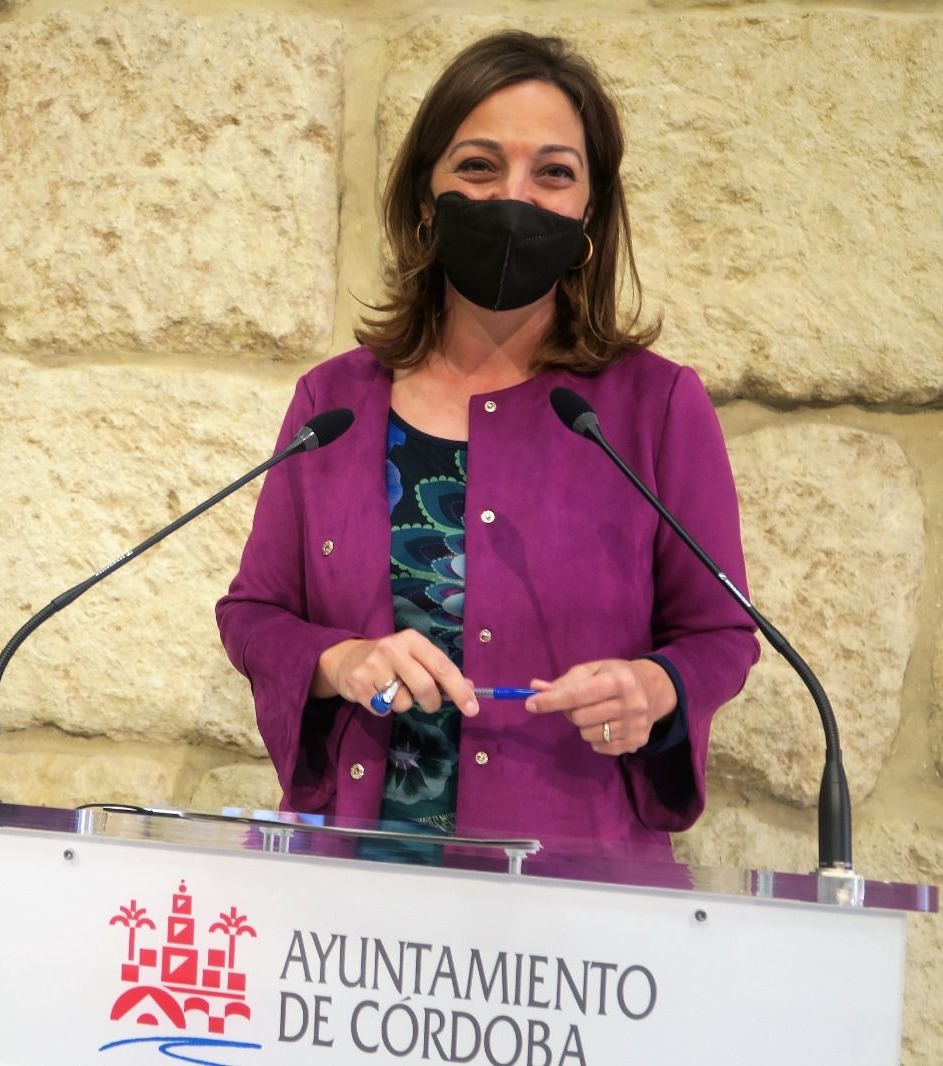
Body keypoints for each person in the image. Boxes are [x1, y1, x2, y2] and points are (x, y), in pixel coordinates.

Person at [214, 30, 759, 858]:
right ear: (427, 200)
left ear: (588, 212)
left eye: (553, 172)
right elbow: (252, 617)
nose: (515, 197)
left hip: (567, 896)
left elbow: (722, 635)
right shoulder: (335, 401)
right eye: (478, 166)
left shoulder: (655, 407)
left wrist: (655, 686)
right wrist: (343, 661)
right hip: (346, 897)